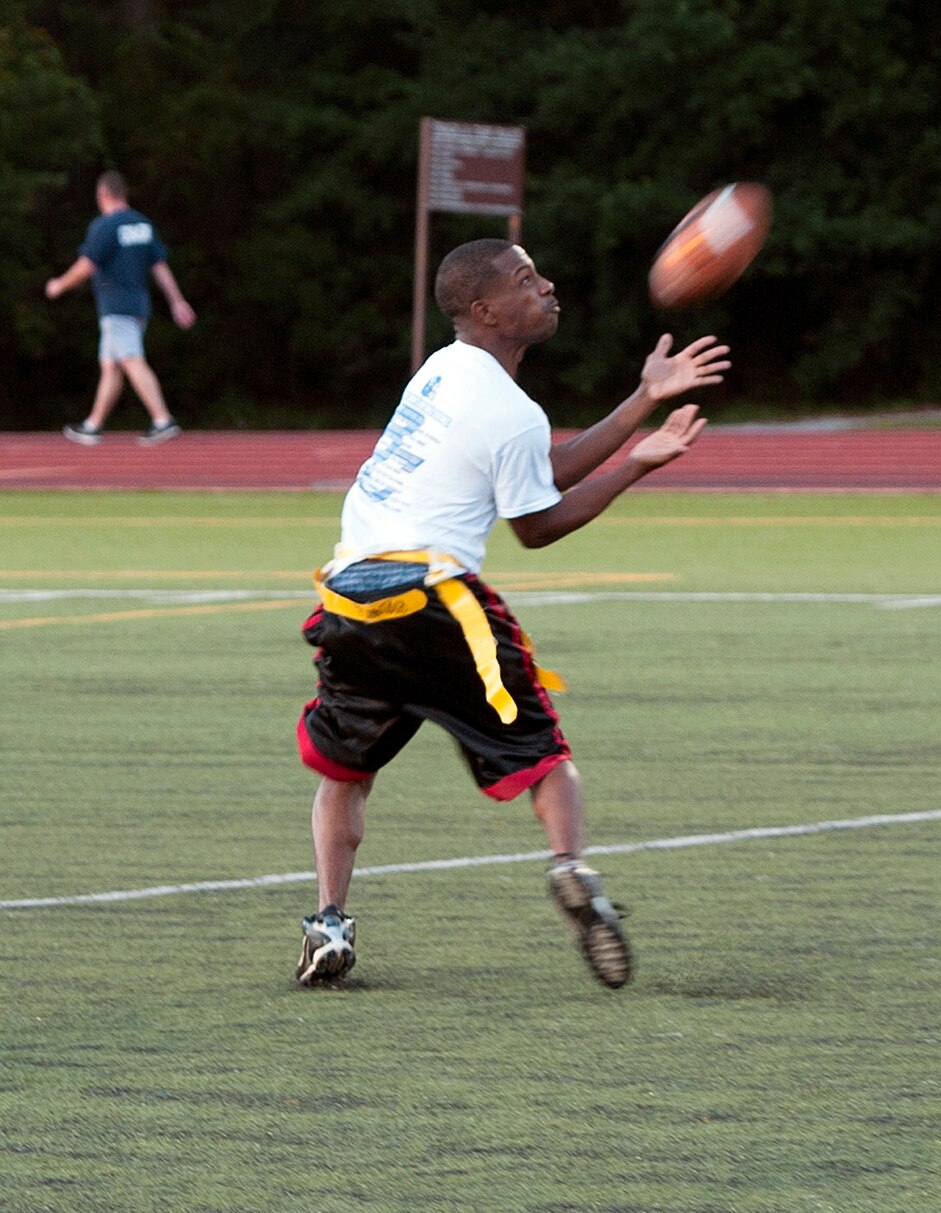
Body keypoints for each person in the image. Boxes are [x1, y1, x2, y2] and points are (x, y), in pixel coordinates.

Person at [292, 237, 729, 988]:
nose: (549, 286)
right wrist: (639, 465)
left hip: (347, 599)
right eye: (529, 280)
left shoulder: (438, 373)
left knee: (345, 769)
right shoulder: (511, 409)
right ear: (486, 308)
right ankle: (572, 869)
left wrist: (642, 401)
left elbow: (534, 473)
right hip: (435, 600)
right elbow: (537, 522)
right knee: (546, 760)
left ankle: (329, 920)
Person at [44, 171, 196, 446]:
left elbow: (86, 266)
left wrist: (60, 285)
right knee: (112, 366)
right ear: (124, 193)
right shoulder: (142, 224)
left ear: (103, 195)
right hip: (139, 306)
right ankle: (93, 426)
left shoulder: (106, 226)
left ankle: (163, 420)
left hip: (115, 307)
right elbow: (159, 267)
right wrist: (176, 300)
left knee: (130, 360)